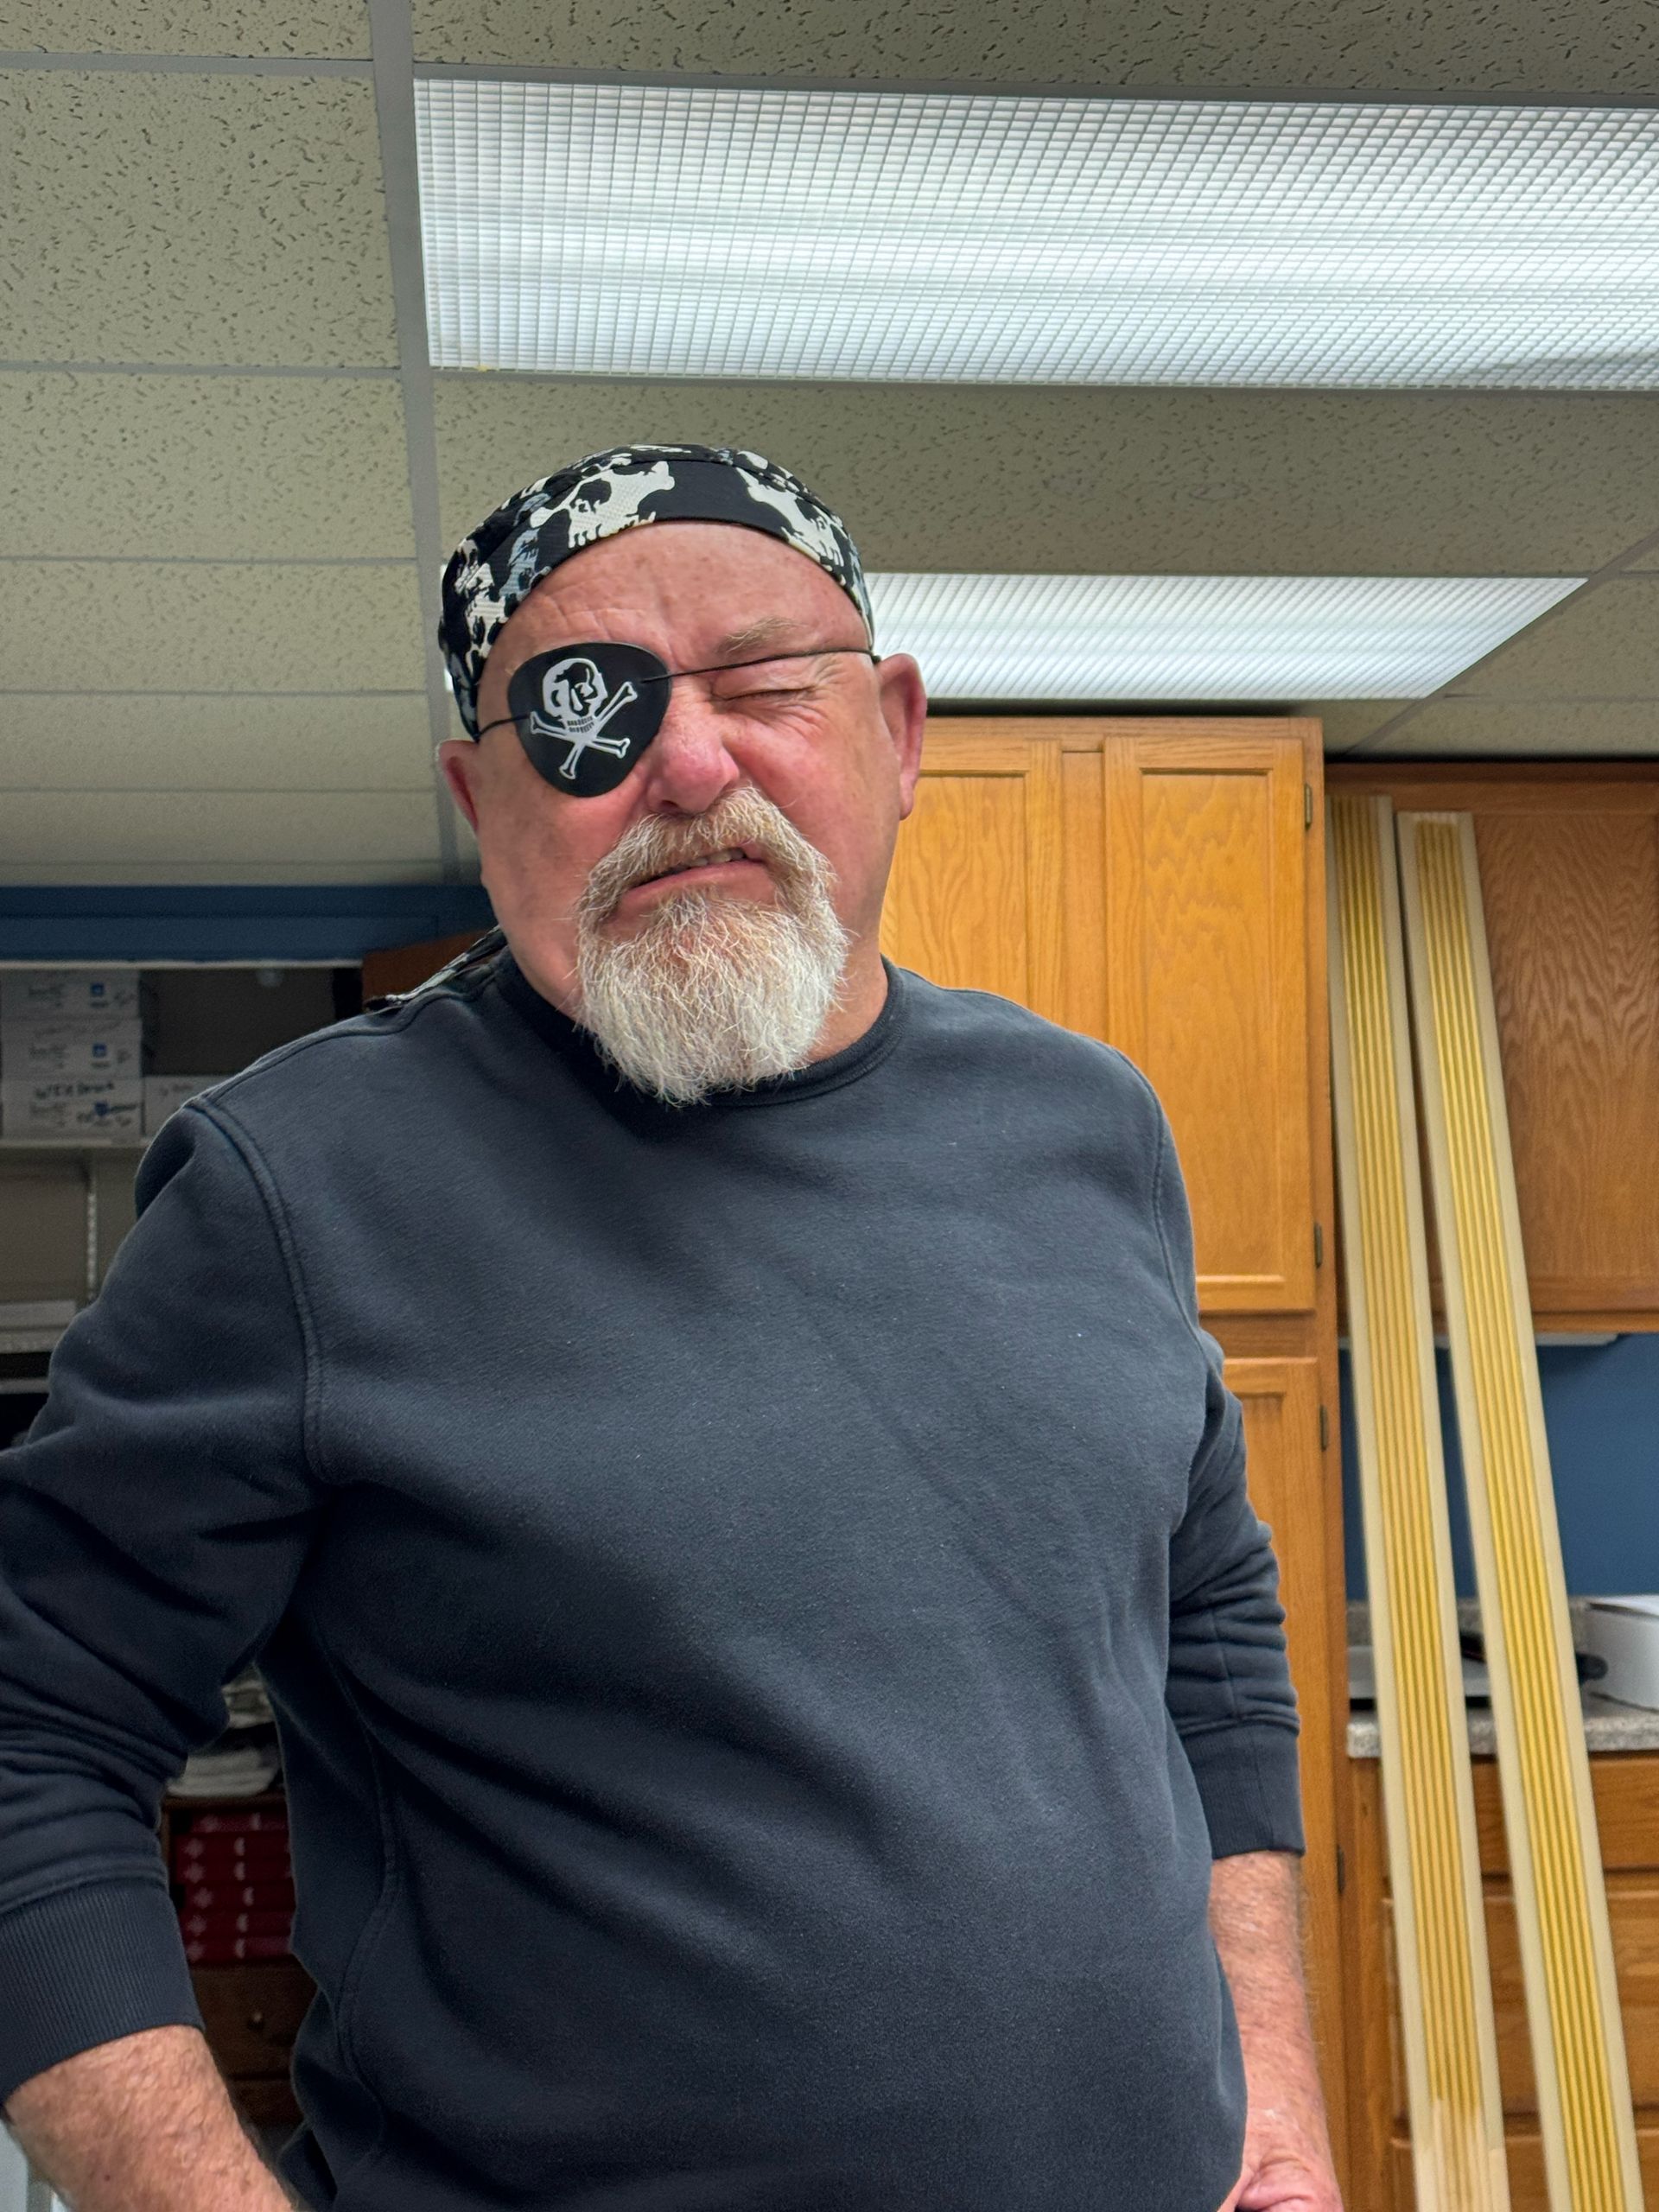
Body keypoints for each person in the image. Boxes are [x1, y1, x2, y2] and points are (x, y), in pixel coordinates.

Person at [0, 445, 1341, 2212]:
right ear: (483, 808)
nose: (688, 765)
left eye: (766, 688)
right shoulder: (300, 1192)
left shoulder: (1084, 1128)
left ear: (900, 733)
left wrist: (1272, 2088)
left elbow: (1208, 1612)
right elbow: (32, 1733)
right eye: (584, 713)